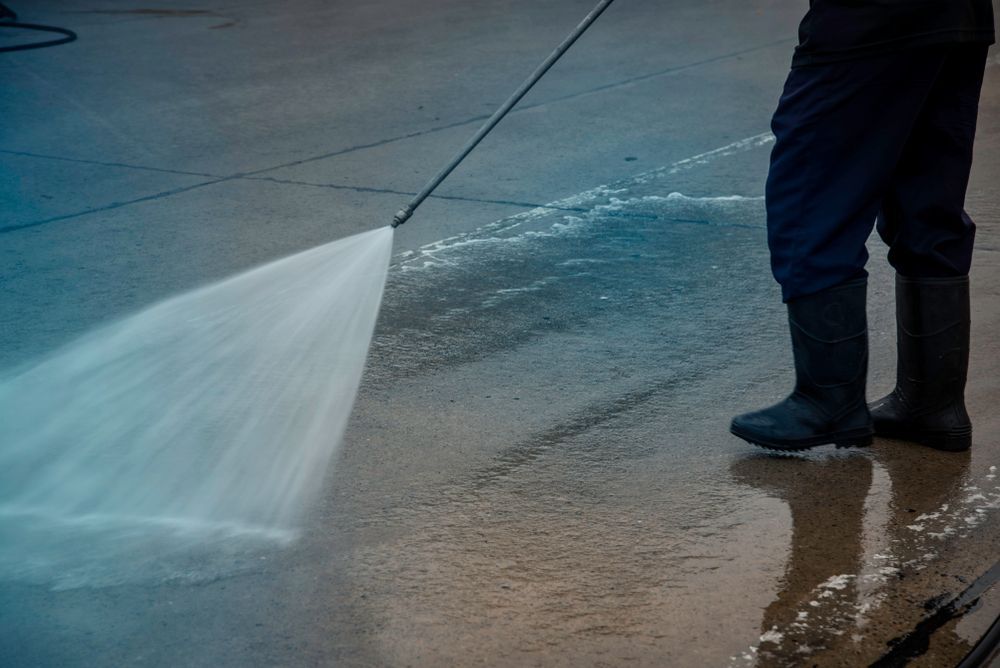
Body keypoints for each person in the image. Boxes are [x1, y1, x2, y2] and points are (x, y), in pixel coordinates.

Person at [730, 1, 995, 452]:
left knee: (812, 191)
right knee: (926, 192)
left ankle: (828, 401)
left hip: (869, 17)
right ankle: (932, 403)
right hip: (957, 14)